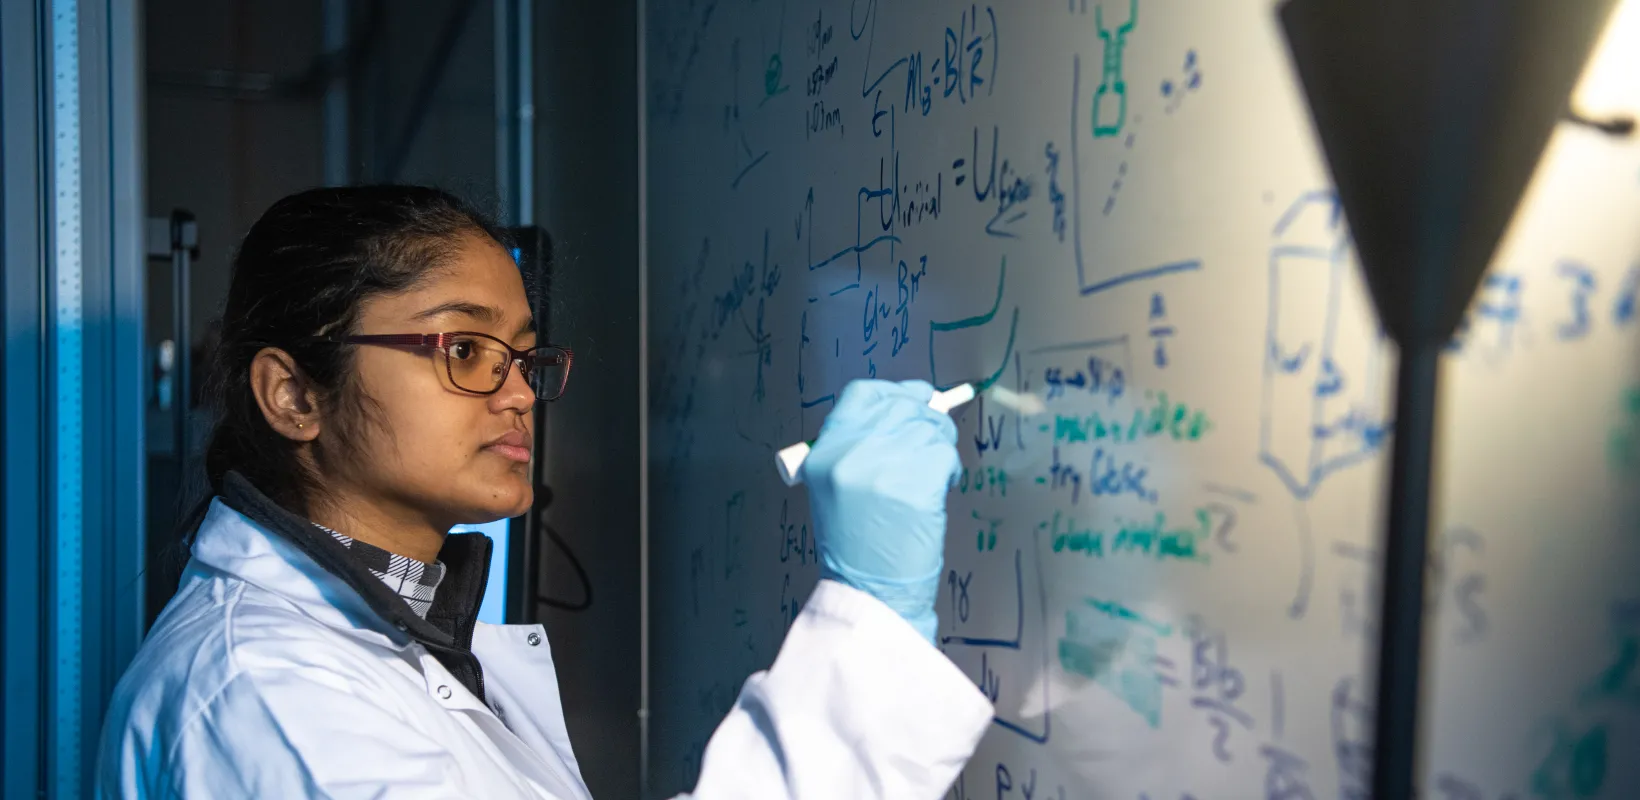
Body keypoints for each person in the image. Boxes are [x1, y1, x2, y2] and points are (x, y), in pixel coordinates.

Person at [96, 186, 993, 798]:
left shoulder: (397, 641)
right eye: (464, 349)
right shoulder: (267, 700)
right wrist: (874, 617)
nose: (520, 393)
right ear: (294, 395)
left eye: (524, 358)